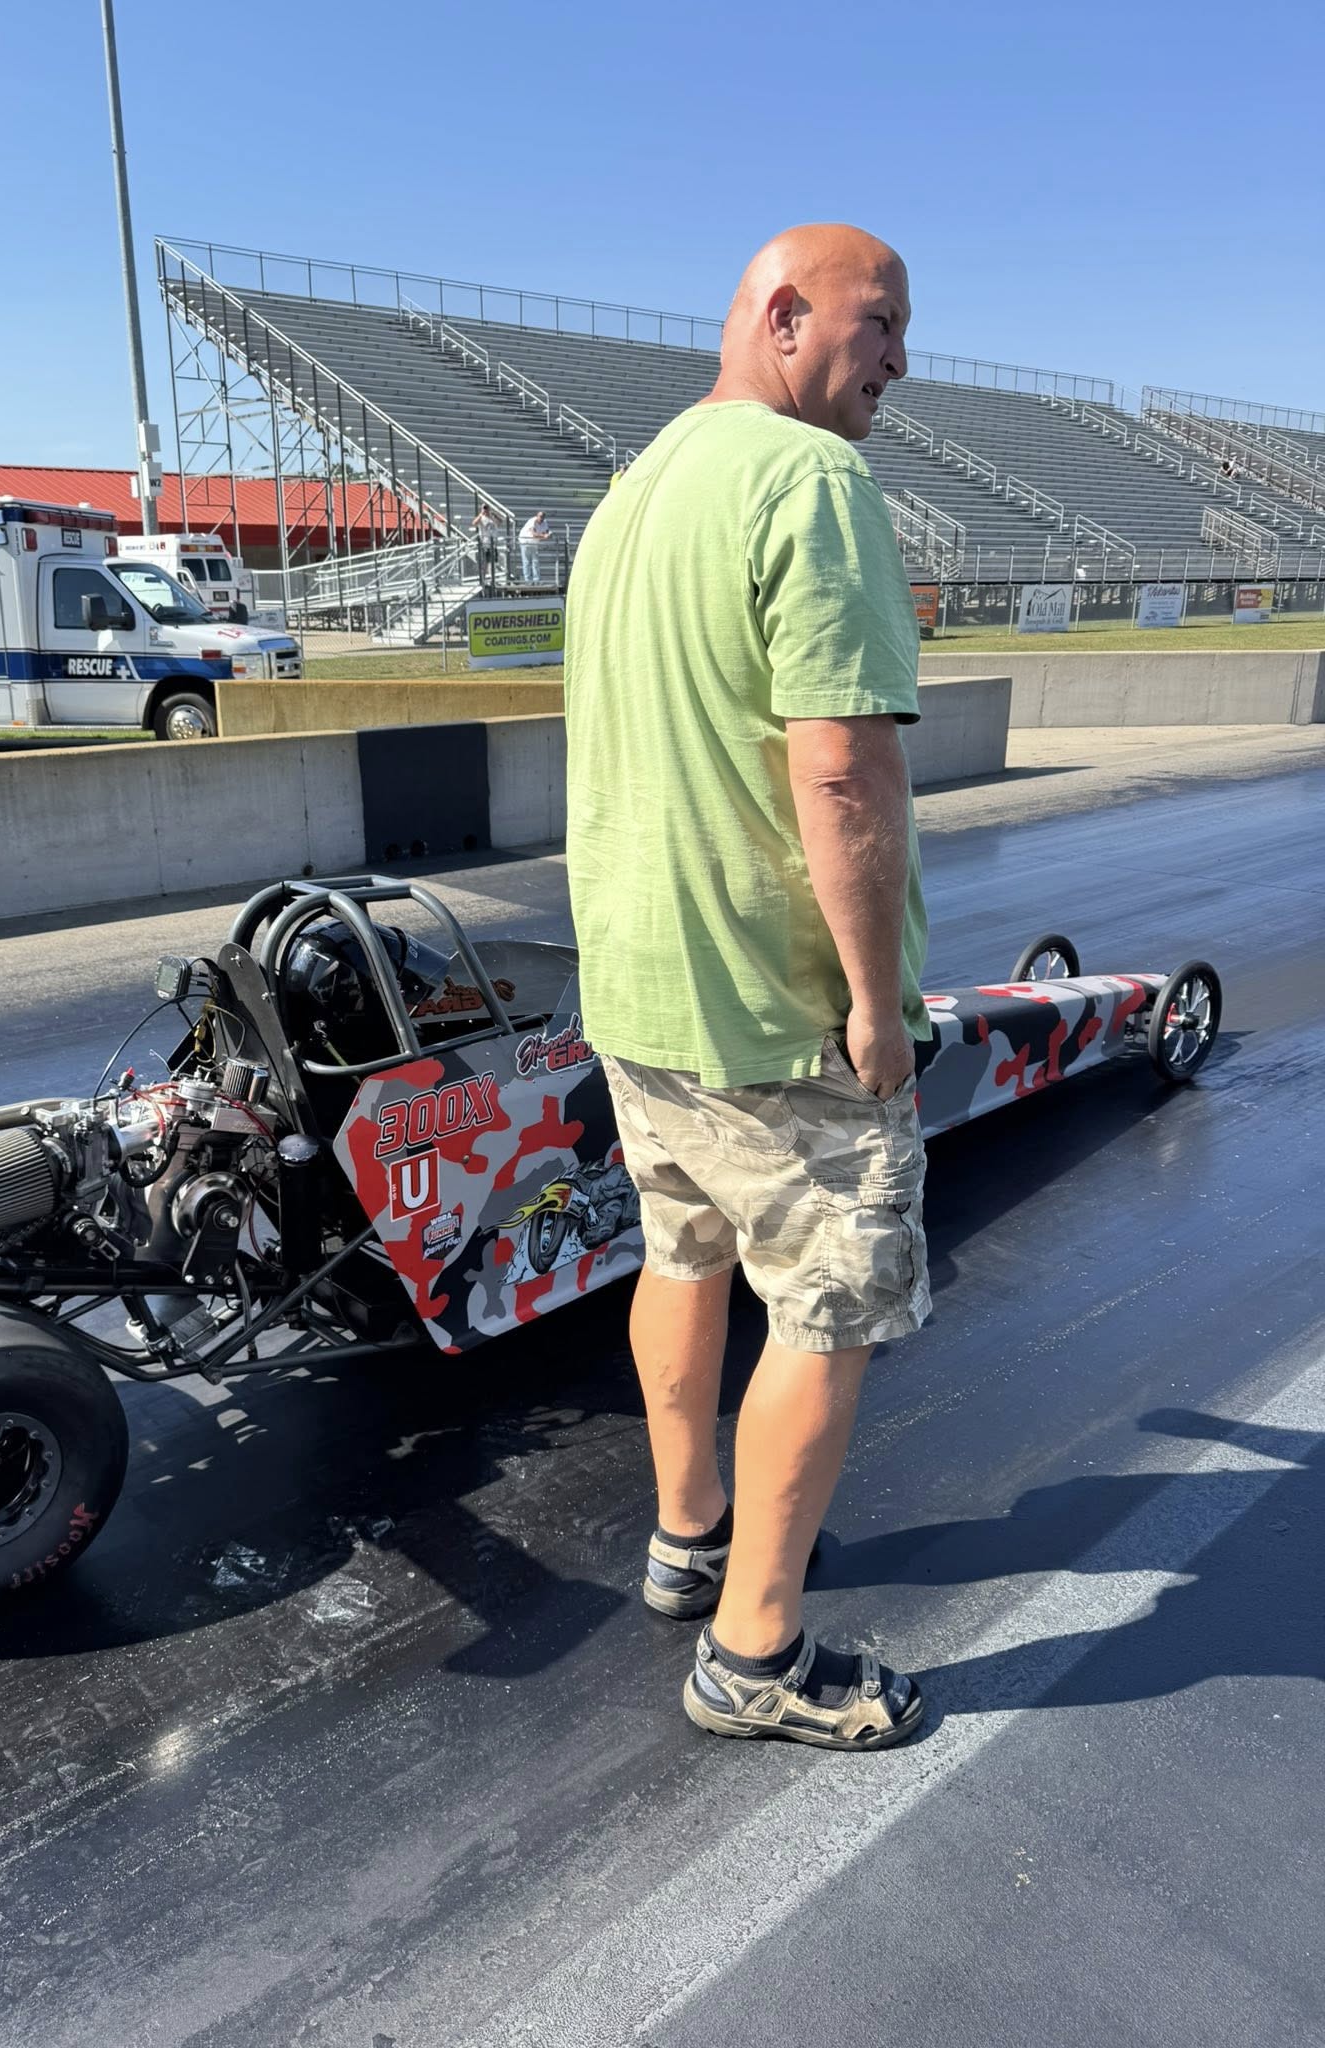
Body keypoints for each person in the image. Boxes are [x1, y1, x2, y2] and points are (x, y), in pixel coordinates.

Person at [565, 223, 930, 1751]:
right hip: (775, 1011)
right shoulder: (812, 481)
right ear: (785, 316)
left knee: (685, 1252)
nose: (901, 359)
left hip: (643, 996)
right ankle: (756, 1652)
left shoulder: (632, 494)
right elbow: (839, 769)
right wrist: (873, 1004)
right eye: (883, 321)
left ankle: (689, 1537)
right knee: (829, 1308)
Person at [472, 503, 501, 592]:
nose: (486, 509)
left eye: (487, 508)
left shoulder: (492, 518)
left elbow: (500, 522)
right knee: (484, 564)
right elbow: (474, 523)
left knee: (492, 563)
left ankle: (493, 580)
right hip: (485, 544)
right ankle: (483, 580)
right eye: (484, 508)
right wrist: (481, 514)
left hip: (493, 544)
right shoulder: (481, 517)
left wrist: (494, 514)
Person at [519, 510, 551, 583]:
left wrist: (548, 534)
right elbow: (534, 534)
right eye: (539, 516)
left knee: (535, 562)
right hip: (525, 542)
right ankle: (528, 581)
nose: (541, 518)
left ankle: (537, 580)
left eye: (542, 517)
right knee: (527, 561)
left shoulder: (544, 522)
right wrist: (544, 536)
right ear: (537, 516)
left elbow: (547, 532)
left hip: (534, 543)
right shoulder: (532, 521)